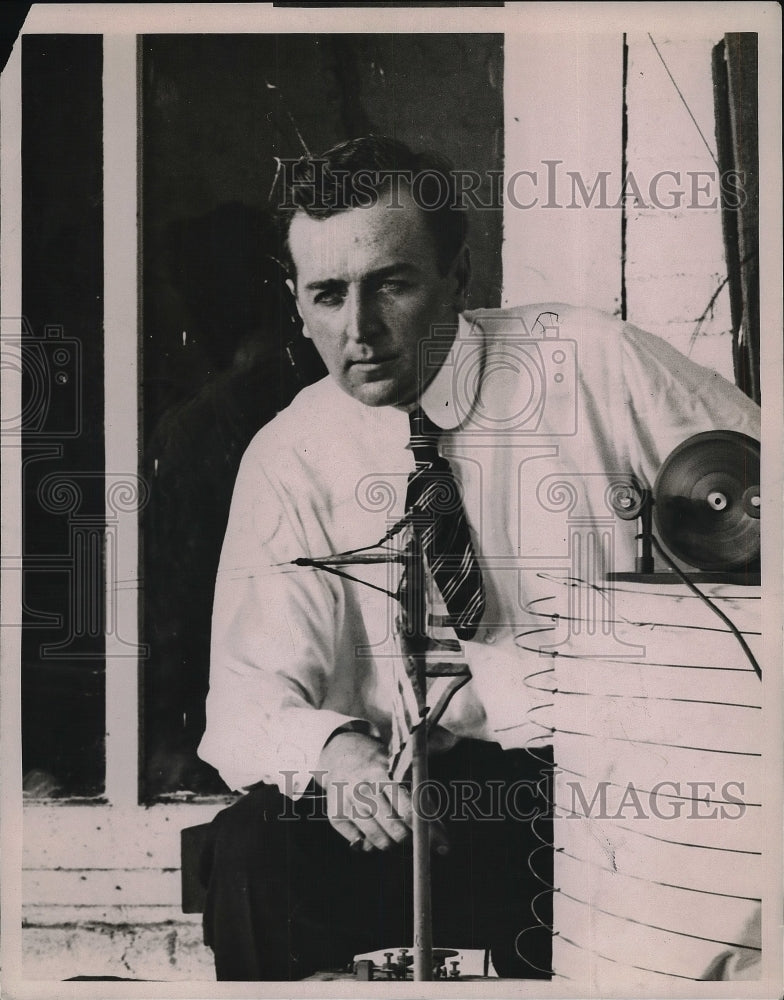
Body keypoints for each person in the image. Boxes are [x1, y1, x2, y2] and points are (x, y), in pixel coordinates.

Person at [196, 136, 761, 981]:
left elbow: (755, 496)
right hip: (428, 800)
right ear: (296, 303)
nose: (360, 330)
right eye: (328, 295)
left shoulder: (590, 362)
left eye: (392, 284)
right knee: (253, 854)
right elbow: (244, 700)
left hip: (612, 785)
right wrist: (336, 752)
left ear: (459, 274)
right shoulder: (291, 456)